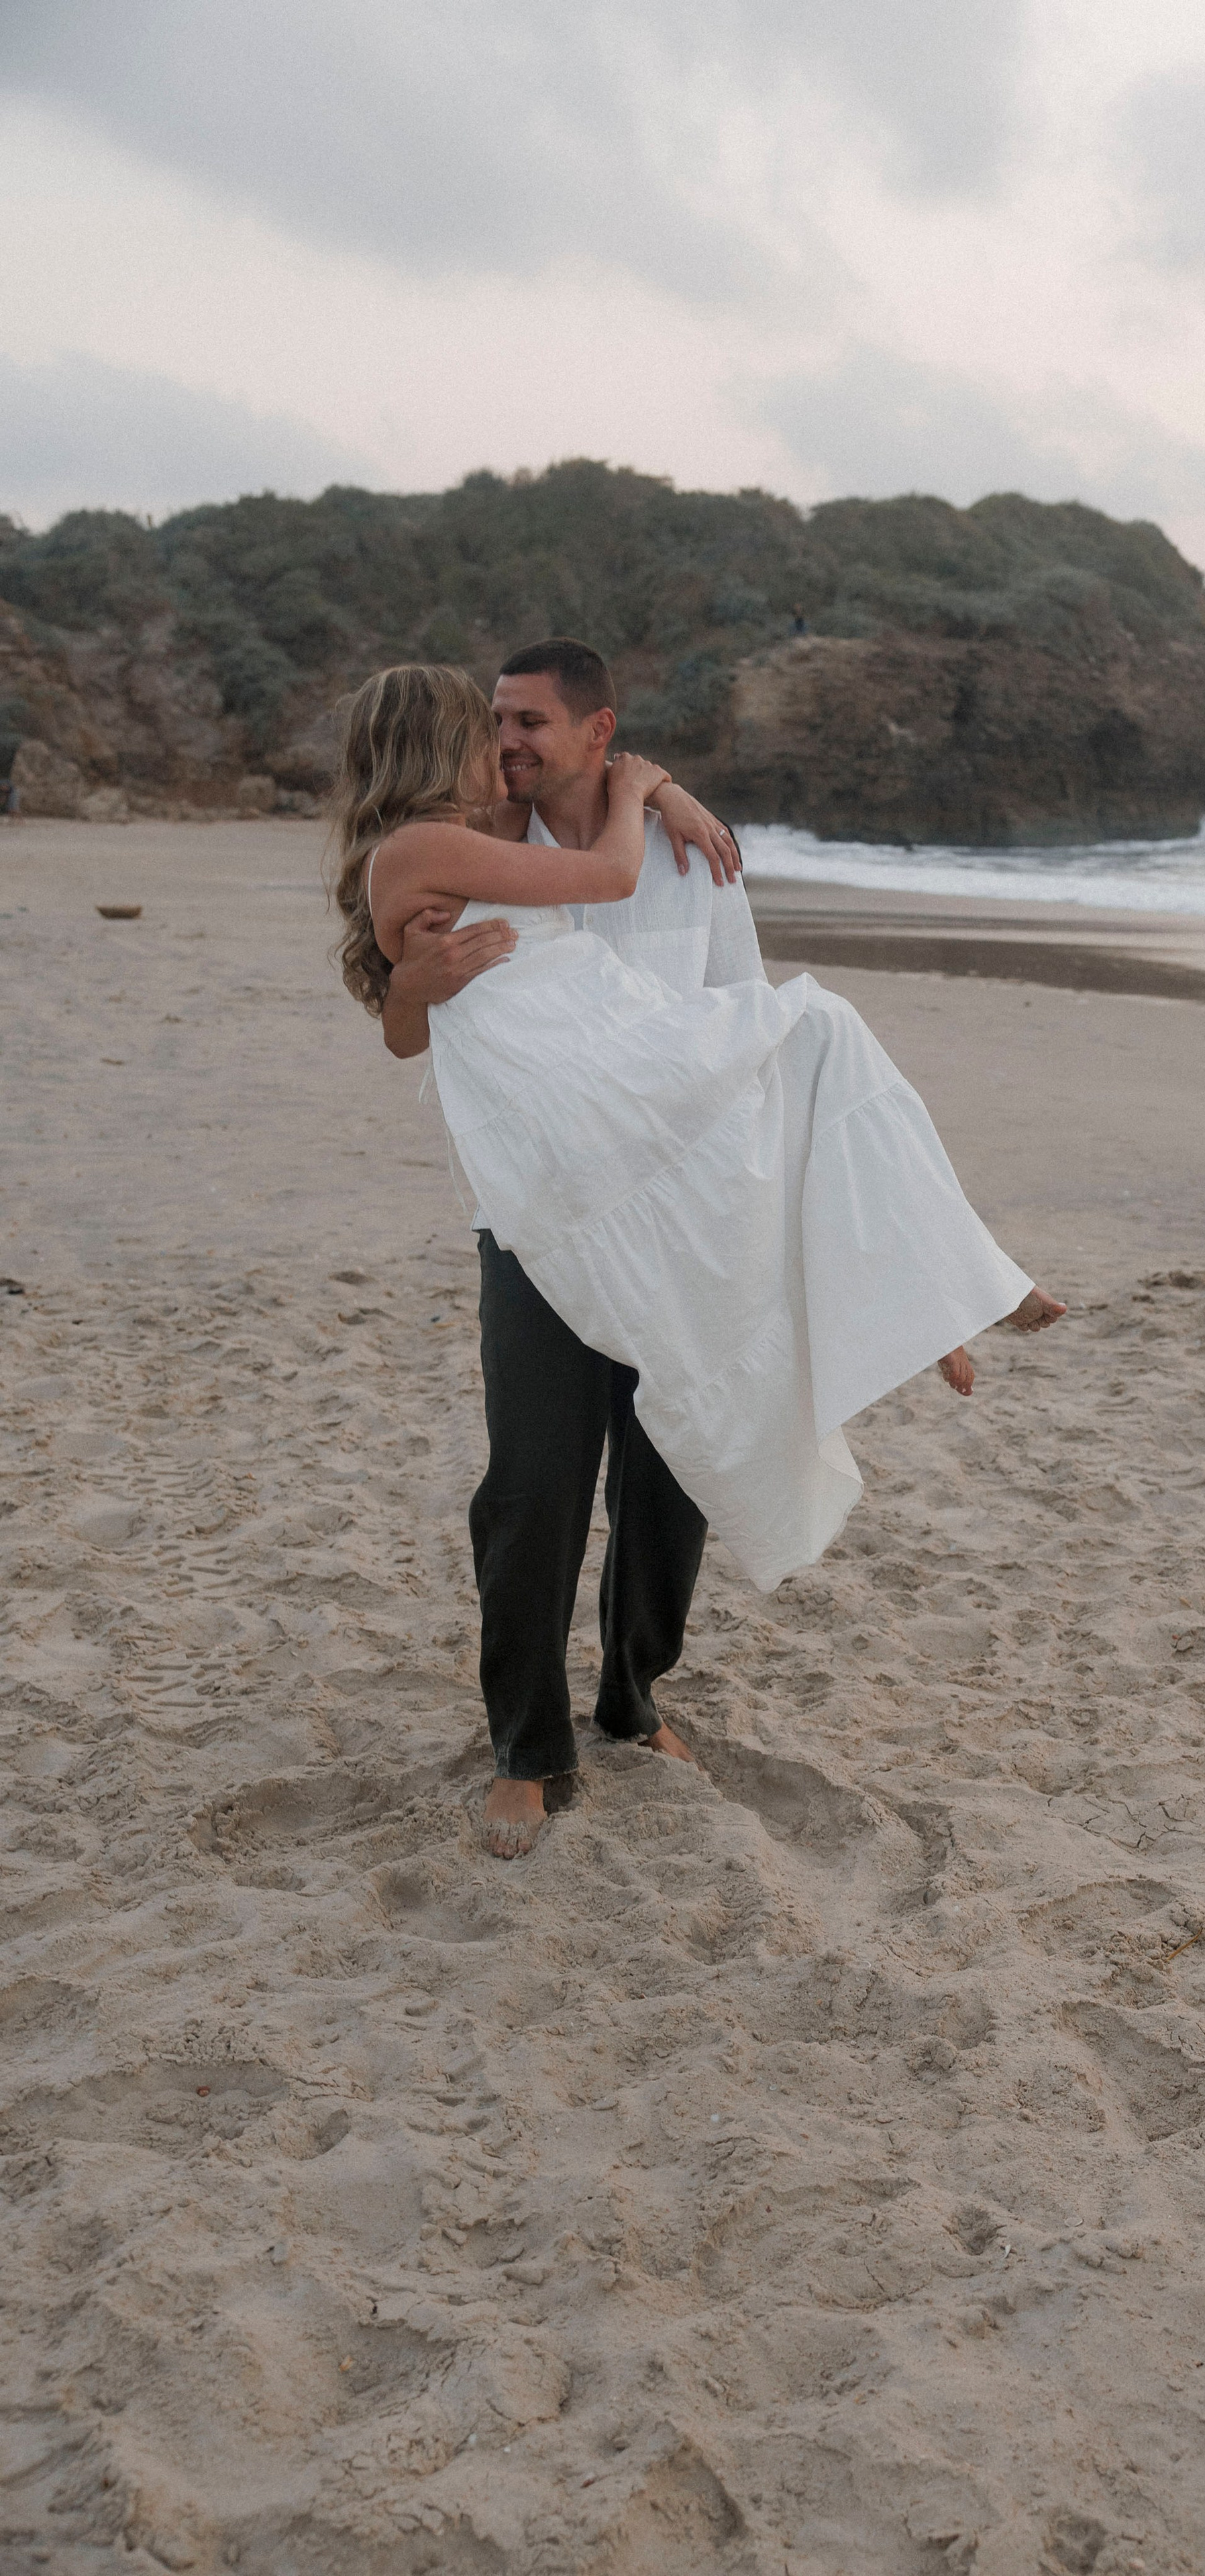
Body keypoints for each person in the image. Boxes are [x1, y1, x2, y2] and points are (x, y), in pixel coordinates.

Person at [331, 653, 1064, 1858]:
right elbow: (408, 1027)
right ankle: (528, 1746)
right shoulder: (489, 836)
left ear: (595, 732)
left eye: (527, 724)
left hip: (679, 1193)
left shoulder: (690, 856)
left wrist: (657, 795)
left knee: (671, 1476)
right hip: (546, 1215)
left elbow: (736, 1038)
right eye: (490, 725)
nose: (507, 743)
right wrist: (419, 973)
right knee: (534, 1487)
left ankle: (632, 1697)